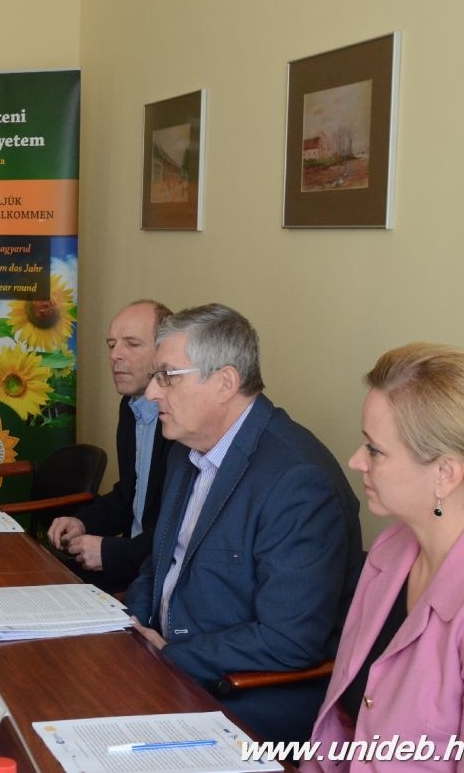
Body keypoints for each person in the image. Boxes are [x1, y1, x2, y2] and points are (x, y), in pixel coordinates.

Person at [123, 303, 362, 744]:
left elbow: (288, 639)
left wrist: (172, 655)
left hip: (242, 694)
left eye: (167, 376)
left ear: (225, 383)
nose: (152, 392)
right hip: (163, 664)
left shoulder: (297, 480)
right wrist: (131, 628)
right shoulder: (185, 448)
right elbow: (158, 565)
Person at [303, 344, 464, 772]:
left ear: (445, 473)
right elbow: (339, 727)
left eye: (375, 450)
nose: (355, 460)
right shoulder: (391, 550)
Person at [47, 300, 175, 592]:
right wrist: (82, 523)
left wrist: (110, 552)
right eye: (112, 344)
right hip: (131, 562)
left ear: (164, 352)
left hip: (159, 575)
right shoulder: (130, 407)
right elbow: (129, 494)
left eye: (132, 344)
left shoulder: (181, 422)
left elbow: (180, 532)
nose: (116, 355)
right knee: (38, 580)